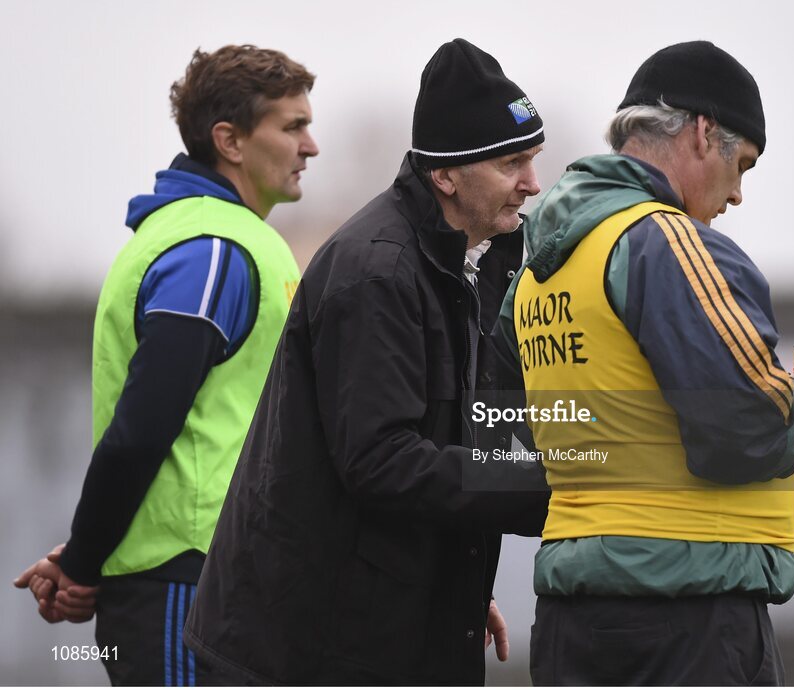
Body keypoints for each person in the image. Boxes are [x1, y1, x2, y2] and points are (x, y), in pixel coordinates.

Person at [183, 38, 549, 686]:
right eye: (512, 162)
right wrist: (547, 484)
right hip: (300, 655)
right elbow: (384, 462)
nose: (533, 183)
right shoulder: (377, 272)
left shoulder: (471, 261)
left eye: (533, 159)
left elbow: (449, 443)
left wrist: (456, 594)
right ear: (446, 175)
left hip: (378, 631)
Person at [498, 41, 794, 685]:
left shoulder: (537, 271)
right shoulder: (667, 243)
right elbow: (745, 426)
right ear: (705, 132)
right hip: (686, 615)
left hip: (571, 621)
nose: (738, 195)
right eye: (745, 165)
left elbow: (520, 421)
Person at [12, 44, 318, 686]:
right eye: (292, 126)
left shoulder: (210, 240)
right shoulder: (211, 249)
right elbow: (144, 428)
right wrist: (87, 562)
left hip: (207, 577)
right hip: (189, 585)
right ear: (229, 140)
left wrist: (85, 555)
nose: (310, 146)